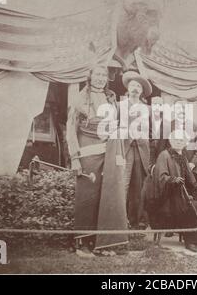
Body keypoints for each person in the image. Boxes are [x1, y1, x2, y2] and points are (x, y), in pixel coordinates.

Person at [66, 64, 128, 256]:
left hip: (108, 152)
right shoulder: (79, 99)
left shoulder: (111, 99)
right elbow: (70, 130)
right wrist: (75, 159)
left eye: (104, 75)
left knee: (105, 196)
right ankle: (82, 243)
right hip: (87, 153)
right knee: (87, 198)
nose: (101, 78)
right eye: (97, 74)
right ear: (90, 77)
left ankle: (100, 243)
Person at [151, 130, 197, 252]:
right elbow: (161, 177)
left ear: (185, 143)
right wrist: (173, 180)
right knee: (189, 206)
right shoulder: (164, 155)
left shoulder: (182, 156)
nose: (178, 142)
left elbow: (189, 176)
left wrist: (196, 190)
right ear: (171, 141)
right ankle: (191, 240)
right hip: (168, 194)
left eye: (181, 140)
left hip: (182, 191)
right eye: (176, 140)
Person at [119, 70, 153, 230]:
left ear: (142, 91)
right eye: (133, 85)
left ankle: (136, 220)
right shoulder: (119, 106)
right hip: (124, 149)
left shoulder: (147, 109)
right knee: (122, 182)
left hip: (141, 150)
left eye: (138, 86)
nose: (135, 88)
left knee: (138, 185)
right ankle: (119, 219)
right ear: (128, 88)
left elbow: (152, 132)